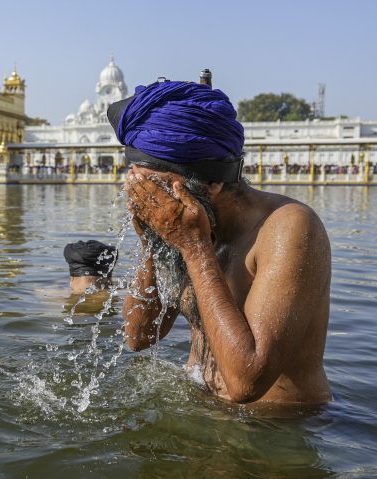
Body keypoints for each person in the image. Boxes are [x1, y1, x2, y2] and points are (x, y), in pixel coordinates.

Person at [108, 80, 332, 405]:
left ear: (212, 183)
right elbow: (138, 337)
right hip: (202, 412)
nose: (148, 200)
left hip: (274, 433)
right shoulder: (181, 223)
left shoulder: (288, 227)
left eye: (155, 189)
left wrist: (195, 247)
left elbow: (247, 382)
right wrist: (152, 244)